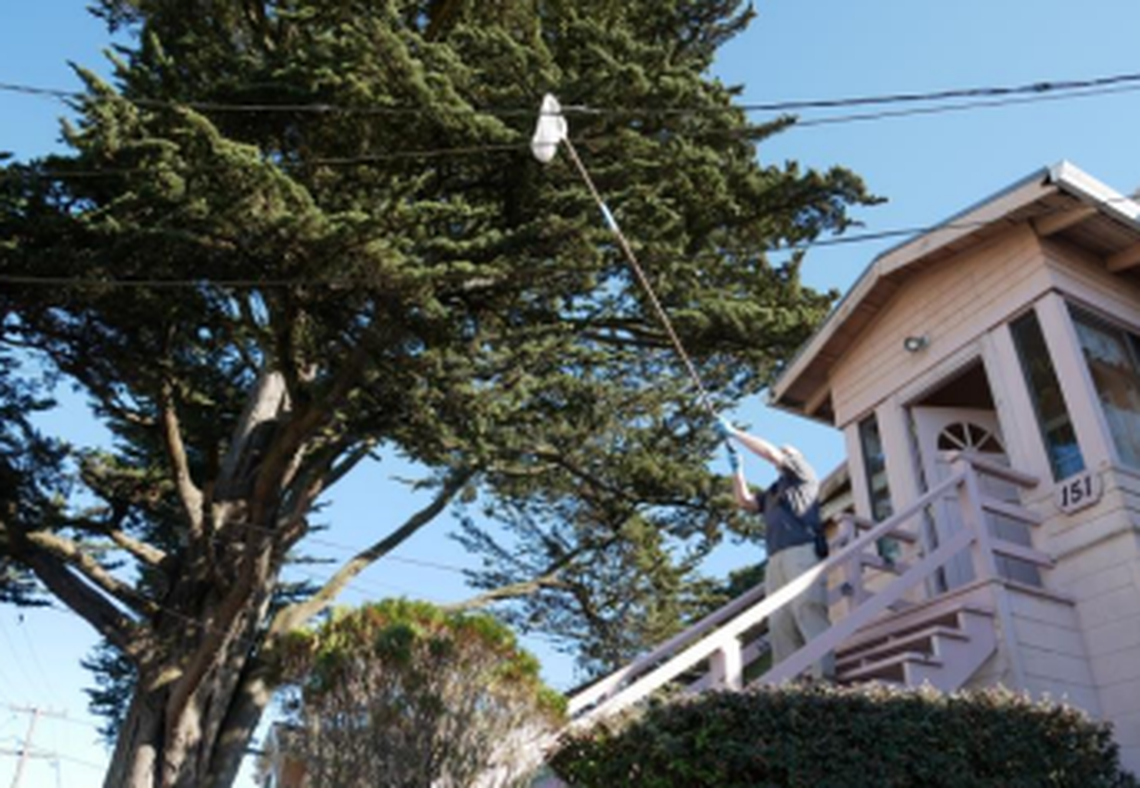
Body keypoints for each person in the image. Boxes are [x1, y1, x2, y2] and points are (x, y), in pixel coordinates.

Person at [717, 417, 835, 681]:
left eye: (788, 453)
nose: (783, 454)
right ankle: (787, 681)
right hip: (775, 558)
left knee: (808, 608)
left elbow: (771, 454)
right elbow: (745, 501)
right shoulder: (773, 491)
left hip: (802, 550)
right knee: (780, 620)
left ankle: (824, 676)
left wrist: (735, 433)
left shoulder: (804, 475)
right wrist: (737, 470)